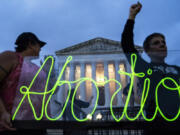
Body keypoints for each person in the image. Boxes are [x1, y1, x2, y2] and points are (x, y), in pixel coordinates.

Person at [121, 2, 180, 135]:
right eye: (157, 43)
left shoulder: (176, 69)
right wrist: (131, 17)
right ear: (147, 51)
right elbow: (127, 45)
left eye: (163, 43)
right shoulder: (144, 68)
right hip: (157, 125)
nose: (162, 45)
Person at [0, 32, 46, 134]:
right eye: (39, 45)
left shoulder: (36, 68)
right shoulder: (10, 57)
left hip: (37, 126)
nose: (40, 49)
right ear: (30, 44)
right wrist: (2, 112)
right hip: (12, 125)